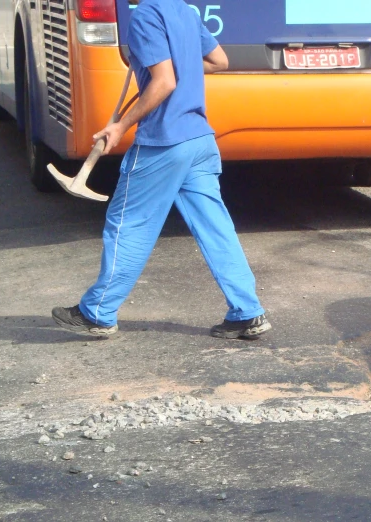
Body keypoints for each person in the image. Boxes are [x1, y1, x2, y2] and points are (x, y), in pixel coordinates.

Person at [52, 0, 271, 340]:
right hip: (199, 139)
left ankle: (97, 312)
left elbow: (164, 81)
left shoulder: (144, 16)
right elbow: (219, 61)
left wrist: (121, 126)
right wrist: (181, 66)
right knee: (216, 228)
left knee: (129, 224)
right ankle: (247, 312)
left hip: (163, 142)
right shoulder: (184, 11)